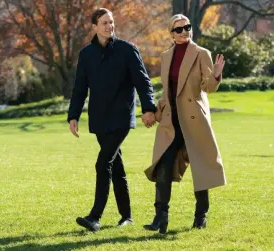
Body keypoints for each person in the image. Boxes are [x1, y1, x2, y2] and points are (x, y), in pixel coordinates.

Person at [67, 8, 157, 232]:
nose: (109, 26)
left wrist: (148, 108)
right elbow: (80, 87)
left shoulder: (128, 50)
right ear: (94, 27)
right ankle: (126, 216)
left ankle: (95, 217)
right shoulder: (86, 54)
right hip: (99, 119)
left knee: (102, 162)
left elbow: (143, 82)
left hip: (121, 117)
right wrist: (73, 115)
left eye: (111, 22)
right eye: (104, 23)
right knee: (116, 166)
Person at [143, 14, 227, 234]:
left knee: (200, 168)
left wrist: (216, 75)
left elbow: (207, 87)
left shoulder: (201, 53)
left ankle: (201, 216)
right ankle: (160, 217)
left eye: (187, 28)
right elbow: (167, 91)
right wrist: (155, 111)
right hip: (172, 121)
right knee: (163, 165)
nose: (184, 32)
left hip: (194, 119)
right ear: (171, 33)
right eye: (178, 29)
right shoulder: (166, 55)